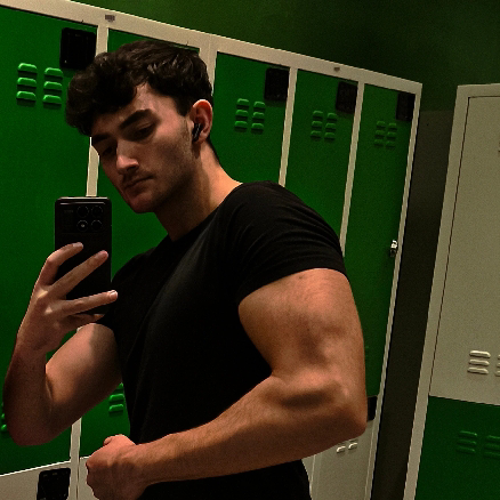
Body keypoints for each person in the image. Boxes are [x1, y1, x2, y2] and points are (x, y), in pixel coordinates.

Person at [3, 40, 367, 500]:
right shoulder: (138, 278)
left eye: (141, 130)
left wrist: (140, 466)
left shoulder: (261, 219)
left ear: (199, 122)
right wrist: (31, 344)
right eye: (107, 148)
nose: (123, 162)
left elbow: (332, 397)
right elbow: (35, 423)